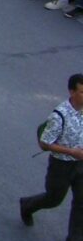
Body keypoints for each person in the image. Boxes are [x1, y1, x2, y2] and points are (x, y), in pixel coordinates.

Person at [19, 73, 83, 238]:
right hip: (61, 165)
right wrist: (72, 152)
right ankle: (27, 205)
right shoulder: (60, 115)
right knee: (54, 199)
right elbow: (45, 143)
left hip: (81, 164)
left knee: (81, 202)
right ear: (72, 92)